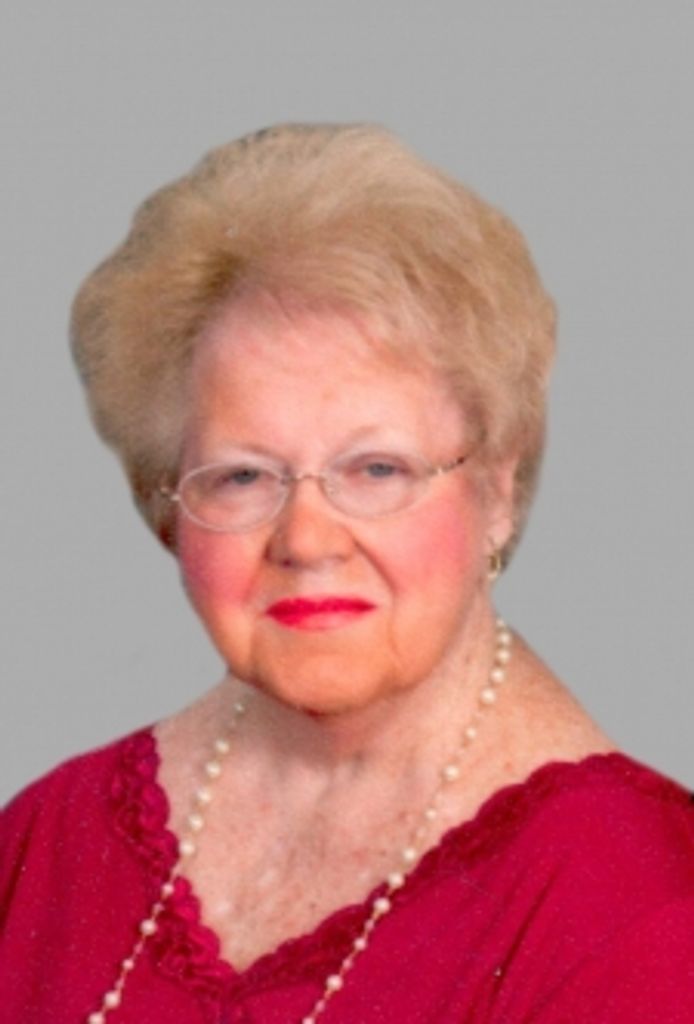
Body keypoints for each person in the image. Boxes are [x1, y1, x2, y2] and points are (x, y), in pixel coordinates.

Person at [1, 123, 693, 1024]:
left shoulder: (638, 909)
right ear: (169, 503)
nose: (307, 538)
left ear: (495, 490)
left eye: (377, 470)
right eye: (242, 477)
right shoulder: (50, 841)